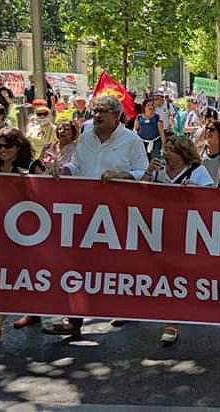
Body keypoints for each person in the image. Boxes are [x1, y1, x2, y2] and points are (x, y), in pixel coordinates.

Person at [43, 95, 149, 337]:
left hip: (119, 212)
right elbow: (78, 166)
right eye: (95, 110)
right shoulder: (86, 138)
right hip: (86, 209)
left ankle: (122, 307)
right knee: (79, 262)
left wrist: (124, 175)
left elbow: (143, 171)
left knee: (117, 262)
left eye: (103, 111)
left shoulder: (132, 140)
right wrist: (64, 169)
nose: (97, 115)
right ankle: (74, 318)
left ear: (117, 115)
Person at [141, 135, 214, 344]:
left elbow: (212, 198)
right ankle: (142, 313)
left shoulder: (196, 171)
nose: (167, 154)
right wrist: (147, 172)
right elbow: (137, 194)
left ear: (183, 153)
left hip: (188, 232)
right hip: (158, 230)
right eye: (166, 149)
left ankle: (175, 320)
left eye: (172, 150)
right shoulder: (158, 172)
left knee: (179, 276)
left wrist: (195, 193)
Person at [0, 128, 44, 342]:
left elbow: (49, 195)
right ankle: (19, 317)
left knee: (19, 275)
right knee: (7, 275)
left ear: (19, 146)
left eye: (8, 145)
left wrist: (33, 182)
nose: (2, 150)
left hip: (27, 231)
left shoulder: (32, 166)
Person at [199, 120, 220, 185]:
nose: (208, 131)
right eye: (207, 128)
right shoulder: (200, 148)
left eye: (212, 129)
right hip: (202, 187)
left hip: (218, 189)